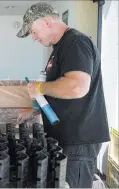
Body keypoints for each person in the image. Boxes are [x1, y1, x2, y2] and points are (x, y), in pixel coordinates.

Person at [16, 2, 110, 188]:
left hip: (78, 141)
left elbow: (77, 87)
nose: (33, 38)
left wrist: (40, 88)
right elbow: (59, 90)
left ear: (46, 21)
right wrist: (35, 110)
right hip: (67, 138)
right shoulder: (60, 48)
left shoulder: (75, 42)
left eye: (33, 31)